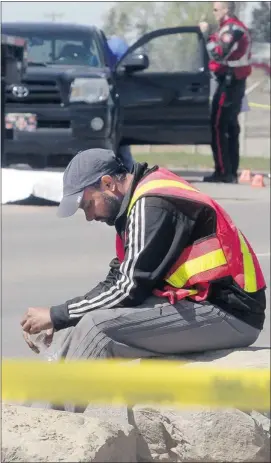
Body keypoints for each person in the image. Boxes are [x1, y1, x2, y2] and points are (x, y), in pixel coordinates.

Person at [21, 149, 266, 377]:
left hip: (229, 314)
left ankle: (63, 419)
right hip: (203, 303)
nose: (89, 216)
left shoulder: (152, 205)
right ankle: (50, 408)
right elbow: (119, 279)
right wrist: (63, 317)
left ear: (108, 184)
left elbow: (127, 289)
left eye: (88, 204)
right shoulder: (141, 199)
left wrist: (58, 314)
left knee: (98, 329)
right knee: (87, 320)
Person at [199, 2, 252, 183]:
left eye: (216, 9)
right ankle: (230, 171)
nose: (213, 13)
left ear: (226, 10)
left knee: (219, 126)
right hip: (231, 82)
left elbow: (219, 53)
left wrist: (206, 36)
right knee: (229, 128)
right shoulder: (226, 29)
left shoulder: (232, 30)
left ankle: (224, 172)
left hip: (230, 83)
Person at [107, 35, 135, 173]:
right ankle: (128, 169)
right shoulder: (116, 44)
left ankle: (128, 168)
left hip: (114, 95)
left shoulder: (115, 45)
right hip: (118, 94)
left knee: (119, 138)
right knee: (120, 138)